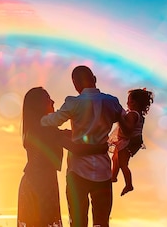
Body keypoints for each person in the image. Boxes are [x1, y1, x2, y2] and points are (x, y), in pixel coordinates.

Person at [41, 66, 124, 227]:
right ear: (94, 78)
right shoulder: (111, 102)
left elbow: (52, 121)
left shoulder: (73, 103)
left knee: (78, 222)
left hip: (77, 172)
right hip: (103, 171)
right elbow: (126, 123)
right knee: (101, 222)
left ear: (75, 84)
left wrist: (38, 120)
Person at [17, 87, 108, 227]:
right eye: (48, 99)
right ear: (39, 104)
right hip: (41, 185)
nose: (52, 101)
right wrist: (102, 147)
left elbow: (71, 135)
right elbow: (76, 148)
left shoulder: (35, 128)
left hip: (34, 182)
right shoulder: (47, 129)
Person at [110, 88, 154, 196]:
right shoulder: (139, 115)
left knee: (123, 163)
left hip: (127, 142)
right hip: (132, 142)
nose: (127, 103)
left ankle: (128, 184)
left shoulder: (133, 114)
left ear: (134, 103)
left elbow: (128, 128)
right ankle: (113, 176)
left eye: (129, 100)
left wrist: (120, 117)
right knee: (115, 158)